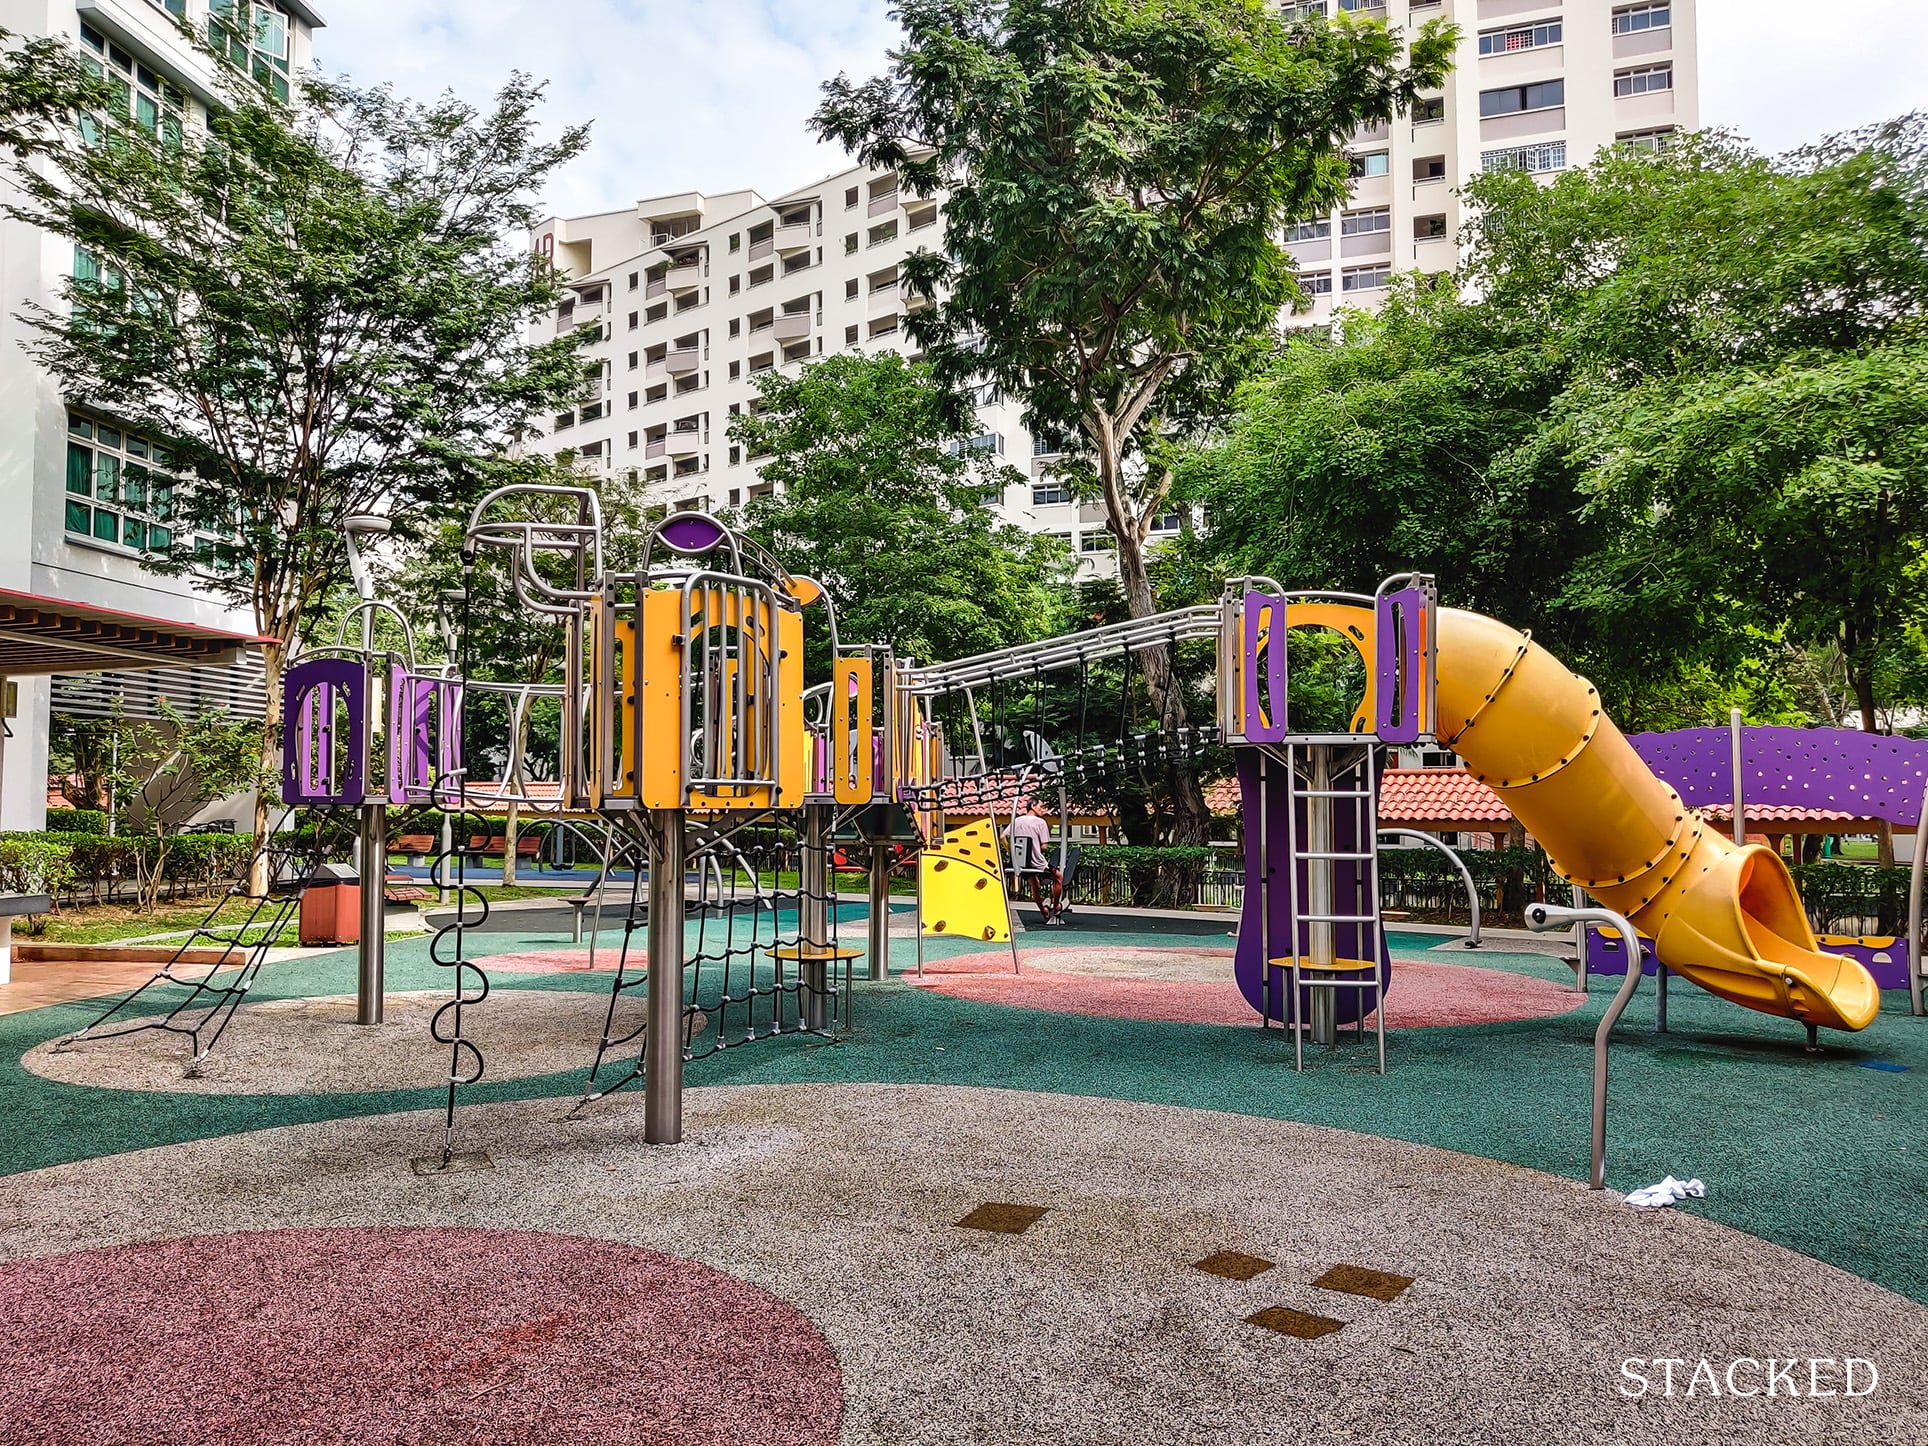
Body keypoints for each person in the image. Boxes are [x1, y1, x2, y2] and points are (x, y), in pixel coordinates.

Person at [1005, 797, 1065, 925]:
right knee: (1058, 877)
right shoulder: (1040, 822)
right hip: (1037, 862)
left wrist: (1011, 852)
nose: (1043, 810)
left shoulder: (1016, 820)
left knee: (1034, 884)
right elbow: (1044, 846)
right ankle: (1055, 907)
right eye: (1041, 807)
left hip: (1021, 861)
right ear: (1033, 806)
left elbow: (1002, 836)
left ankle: (1043, 910)